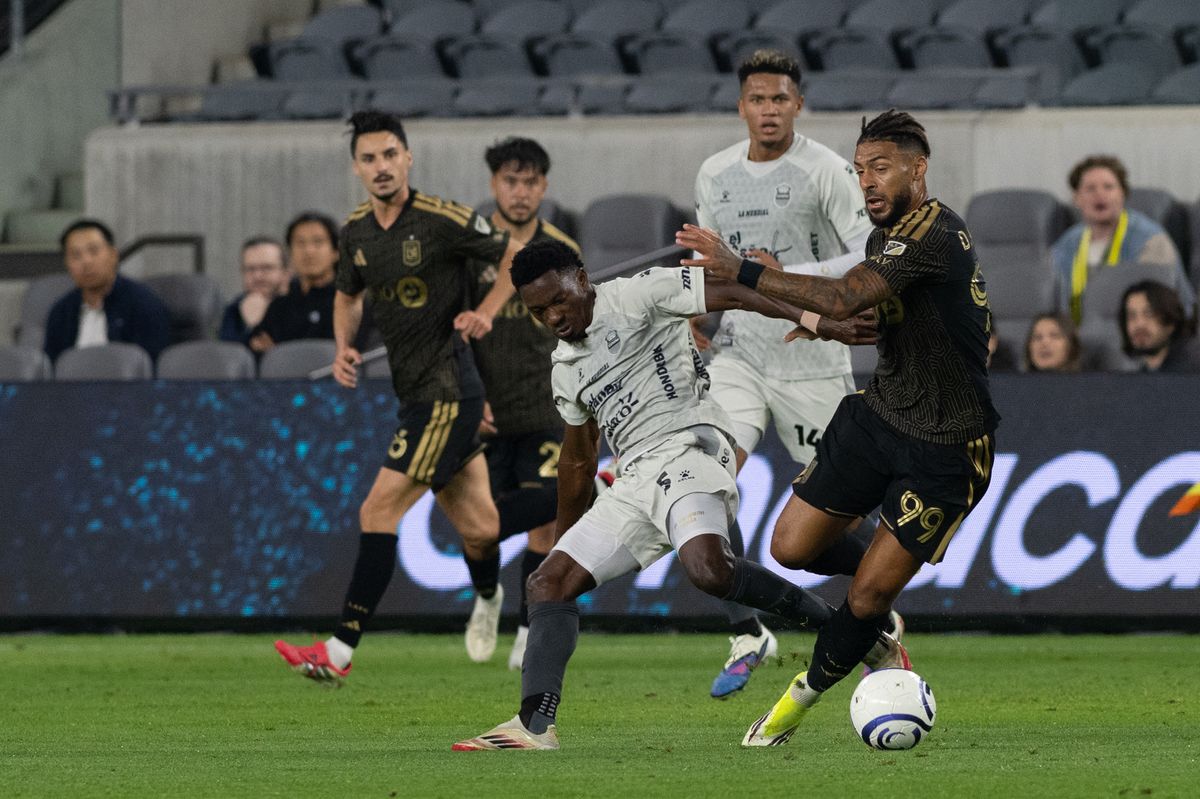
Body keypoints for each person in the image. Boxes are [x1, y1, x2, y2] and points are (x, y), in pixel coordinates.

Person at [451, 239, 898, 751]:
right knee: (547, 584)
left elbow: (733, 290)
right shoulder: (565, 368)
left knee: (709, 570)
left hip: (691, 447)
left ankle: (850, 633)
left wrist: (820, 321)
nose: (553, 316)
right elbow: (577, 460)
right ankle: (533, 727)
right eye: (538, 311)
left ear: (581, 276)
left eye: (558, 300)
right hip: (634, 477)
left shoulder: (640, 295)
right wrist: (564, 542)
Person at [677, 110, 1000, 747]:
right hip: (878, 418)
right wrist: (821, 320)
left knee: (865, 596)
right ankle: (877, 601)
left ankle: (792, 707)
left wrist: (741, 267)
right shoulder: (889, 236)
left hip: (948, 447)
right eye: (860, 171)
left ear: (919, 168)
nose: (868, 182)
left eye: (881, 168)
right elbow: (866, 312)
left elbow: (849, 294)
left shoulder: (932, 231)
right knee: (789, 549)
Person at [273, 110, 531, 683]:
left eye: (390, 155)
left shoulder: (442, 219)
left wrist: (485, 313)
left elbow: (517, 255)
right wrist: (343, 344)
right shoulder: (358, 231)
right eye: (369, 158)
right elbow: (347, 293)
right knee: (482, 529)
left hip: (448, 394)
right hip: (413, 395)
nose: (381, 166)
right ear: (357, 167)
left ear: (408, 158)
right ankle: (492, 593)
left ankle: (338, 651)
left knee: (377, 509)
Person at [692, 48, 884, 698]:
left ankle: (876, 613)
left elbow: (868, 253)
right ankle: (747, 629)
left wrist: (792, 284)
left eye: (779, 99)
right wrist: (695, 311)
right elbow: (716, 269)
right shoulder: (714, 174)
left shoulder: (826, 171)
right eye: (757, 99)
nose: (768, 110)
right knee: (706, 475)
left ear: (798, 103)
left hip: (812, 356)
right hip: (741, 350)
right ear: (741, 105)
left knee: (840, 518)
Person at [469, 137, 582, 671]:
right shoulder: (469, 246)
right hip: (486, 409)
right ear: (494, 184)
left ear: (544, 186)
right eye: (511, 181)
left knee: (545, 521)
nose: (521, 192)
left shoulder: (561, 250)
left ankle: (522, 626)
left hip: (545, 405)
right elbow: (448, 329)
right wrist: (469, 396)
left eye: (531, 181)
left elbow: (582, 325)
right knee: (480, 525)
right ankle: (486, 596)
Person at [1049, 154, 1193, 324]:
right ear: (1077, 199)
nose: (1099, 194)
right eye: (1090, 189)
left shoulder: (1150, 240)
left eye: (1108, 187)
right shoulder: (1066, 245)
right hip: (1080, 340)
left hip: (1138, 338)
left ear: (1123, 194)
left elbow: (1164, 309)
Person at [43, 218, 170, 363]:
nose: (86, 262)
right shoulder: (61, 312)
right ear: (67, 263)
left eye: (94, 251)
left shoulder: (144, 306)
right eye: (76, 255)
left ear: (113, 255)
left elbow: (152, 369)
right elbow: (50, 371)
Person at [248, 213, 341, 354]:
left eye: (318, 242)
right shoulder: (279, 306)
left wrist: (278, 351)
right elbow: (257, 344)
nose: (309, 251)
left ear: (336, 251)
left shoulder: (351, 302)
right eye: (300, 243)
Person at [218, 236, 289, 346]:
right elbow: (229, 356)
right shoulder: (234, 309)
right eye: (250, 269)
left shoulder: (301, 306)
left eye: (267, 268)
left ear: (285, 272)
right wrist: (249, 328)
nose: (257, 276)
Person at [1119, 280, 1199, 373]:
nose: (1139, 324)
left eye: (1149, 314)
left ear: (1171, 321)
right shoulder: (1141, 375)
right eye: (1131, 316)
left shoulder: (1191, 371)